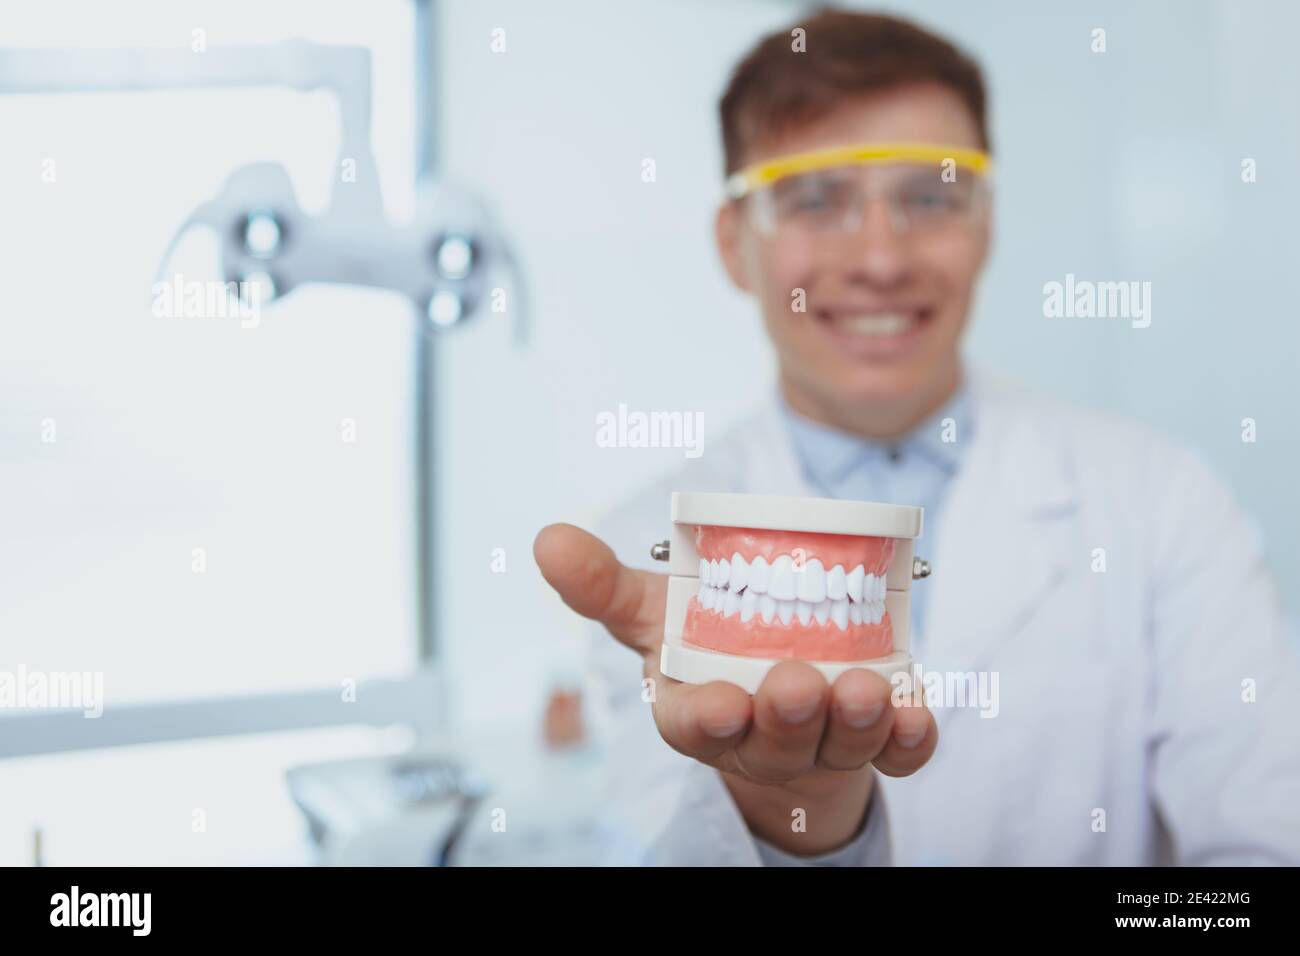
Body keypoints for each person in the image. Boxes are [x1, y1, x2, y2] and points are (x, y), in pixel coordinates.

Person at [533, 9, 1300, 865]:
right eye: (816, 201)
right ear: (734, 246)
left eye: (931, 198)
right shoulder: (654, 552)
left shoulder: (1161, 501)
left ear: (987, 226)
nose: (881, 258)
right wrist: (788, 817)